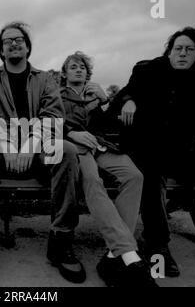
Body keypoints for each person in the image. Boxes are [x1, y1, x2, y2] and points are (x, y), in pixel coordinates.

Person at [0, 22, 83, 287]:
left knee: (67, 150)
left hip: (37, 147)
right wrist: (6, 145)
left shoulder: (45, 79)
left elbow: (53, 116)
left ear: (28, 47)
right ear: (0, 50)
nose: (14, 43)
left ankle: (61, 238)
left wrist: (30, 144)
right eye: (7, 41)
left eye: (19, 39)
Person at [114, 26, 195, 275]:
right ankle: (157, 245)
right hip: (146, 146)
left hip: (181, 147)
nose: (182, 53)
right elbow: (125, 93)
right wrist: (129, 101)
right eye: (178, 48)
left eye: (189, 49)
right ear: (169, 52)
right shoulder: (147, 70)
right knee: (150, 168)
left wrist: (182, 143)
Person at [61, 51, 157, 287]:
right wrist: (70, 133)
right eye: (73, 66)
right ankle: (129, 256)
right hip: (74, 148)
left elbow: (111, 125)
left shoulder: (96, 95)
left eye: (82, 67)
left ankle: (113, 255)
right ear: (64, 73)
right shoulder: (55, 95)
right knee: (93, 181)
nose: (78, 70)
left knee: (134, 176)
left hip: (101, 145)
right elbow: (48, 122)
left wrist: (106, 103)